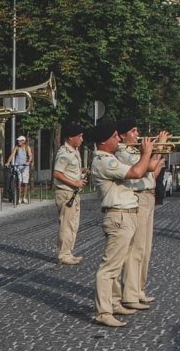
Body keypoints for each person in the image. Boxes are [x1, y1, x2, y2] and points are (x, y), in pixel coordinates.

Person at [92, 121, 156, 327]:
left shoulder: (109, 159)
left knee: (119, 264)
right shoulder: (104, 161)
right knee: (109, 267)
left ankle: (114, 301)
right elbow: (137, 172)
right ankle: (103, 311)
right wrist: (147, 153)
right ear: (104, 141)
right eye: (114, 136)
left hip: (126, 214)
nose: (118, 139)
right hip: (118, 216)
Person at [123, 124, 167, 308]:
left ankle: (139, 289)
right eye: (132, 131)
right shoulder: (124, 152)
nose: (137, 134)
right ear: (122, 135)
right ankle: (130, 295)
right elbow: (146, 167)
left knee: (146, 249)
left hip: (148, 195)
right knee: (136, 248)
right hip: (138, 197)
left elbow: (152, 173)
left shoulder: (136, 152)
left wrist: (159, 154)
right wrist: (158, 149)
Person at [52, 123, 87, 265]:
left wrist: (81, 172)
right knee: (67, 225)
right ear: (71, 137)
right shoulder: (64, 153)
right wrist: (75, 183)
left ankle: (68, 252)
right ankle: (63, 255)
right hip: (66, 193)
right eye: (79, 136)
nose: (81, 139)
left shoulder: (74, 151)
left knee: (73, 224)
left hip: (73, 192)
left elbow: (67, 170)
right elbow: (57, 173)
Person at [7, 135, 33, 204]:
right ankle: (19, 197)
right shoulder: (17, 147)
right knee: (19, 182)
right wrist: (8, 162)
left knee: (25, 183)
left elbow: (30, 156)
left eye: (20, 140)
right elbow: (12, 155)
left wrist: (28, 162)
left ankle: (24, 197)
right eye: (18, 140)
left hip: (25, 166)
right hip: (17, 166)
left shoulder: (27, 148)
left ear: (24, 141)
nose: (18, 141)